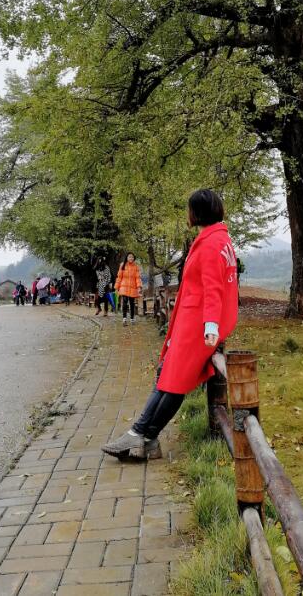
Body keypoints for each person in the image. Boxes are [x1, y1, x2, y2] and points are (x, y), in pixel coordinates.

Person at [102, 188, 238, 460]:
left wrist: (211, 325)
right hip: (193, 321)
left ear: (197, 212)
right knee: (168, 377)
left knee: (174, 381)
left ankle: (142, 435)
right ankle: (143, 437)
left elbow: (213, 288)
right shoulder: (218, 239)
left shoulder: (212, 243)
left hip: (198, 324)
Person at [115, 253, 143, 325]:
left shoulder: (136, 267)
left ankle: (132, 319)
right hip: (124, 287)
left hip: (133, 288)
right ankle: (124, 319)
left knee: (132, 303)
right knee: (124, 303)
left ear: (134, 258)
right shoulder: (123, 265)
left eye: (132, 257)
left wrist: (139, 287)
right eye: (129, 257)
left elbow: (137, 278)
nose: (131, 258)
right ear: (127, 258)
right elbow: (119, 277)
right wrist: (116, 287)